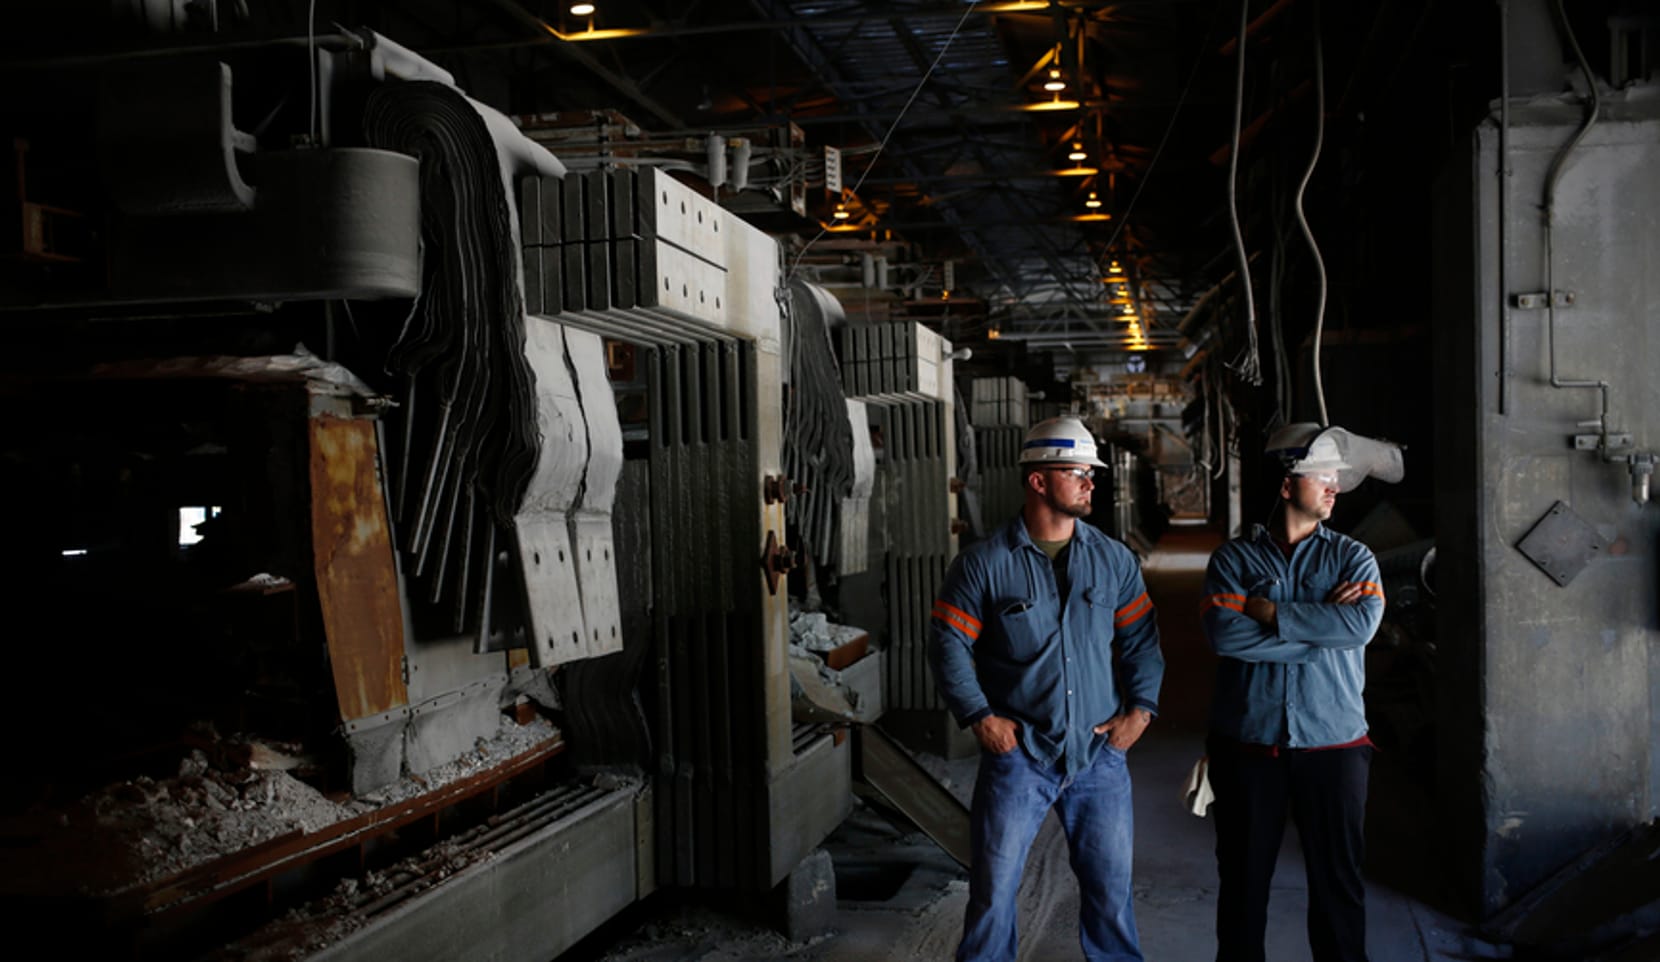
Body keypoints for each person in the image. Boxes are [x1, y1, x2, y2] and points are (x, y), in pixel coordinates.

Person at [928, 415, 1164, 962]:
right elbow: (947, 646)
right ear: (1038, 481)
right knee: (993, 894)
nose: (1089, 483)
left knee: (1110, 895)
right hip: (1020, 756)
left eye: (1090, 473)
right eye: (1078, 471)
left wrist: (1141, 712)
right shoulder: (984, 565)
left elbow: (1142, 643)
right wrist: (981, 717)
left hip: (1099, 755)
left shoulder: (1112, 559)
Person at [1200, 423, 1388, 962]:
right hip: (1248, 747)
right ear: (1287, 485)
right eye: (1322, 477)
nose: (1333, 488)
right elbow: (1224, 634)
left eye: (1335, 478)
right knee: (1242, 887)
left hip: (1334, 746)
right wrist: (1316, 632)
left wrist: (1273, 615)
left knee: (1339, 889)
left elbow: (1359, 629)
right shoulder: (1233, 561)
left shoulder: (1354, 559)